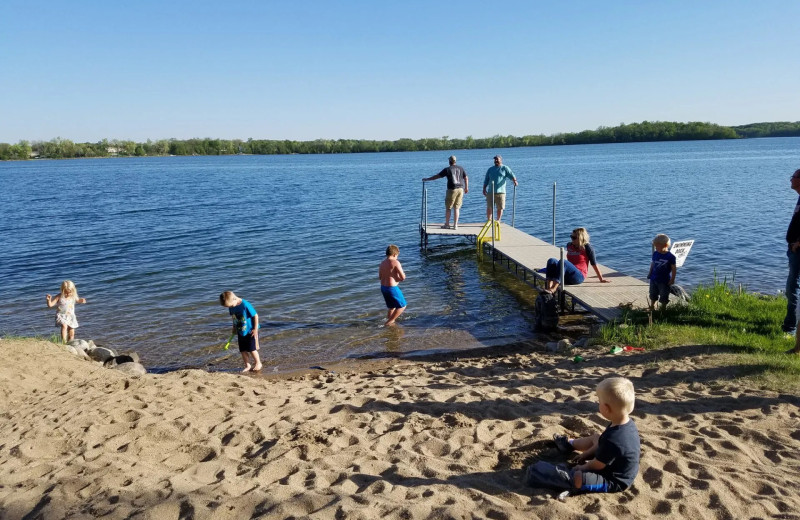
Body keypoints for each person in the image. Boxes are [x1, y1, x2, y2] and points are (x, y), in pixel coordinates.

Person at [551, 377, 640, 494]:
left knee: (578, 477)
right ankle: (569, 444)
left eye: (599, 401)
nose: (598, 403)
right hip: (610, 460)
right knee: (596, 438)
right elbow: (603, 446)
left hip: (614, 479)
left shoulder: (614, 439)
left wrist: (583, 467)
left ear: (606, 408)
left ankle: (574, 485)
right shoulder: (626, 423)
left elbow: (598, 465)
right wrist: (586, 454)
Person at [544, 227, 610, 292]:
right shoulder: (569, 245)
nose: (572, 239)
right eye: (571, 237)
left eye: (574, 238)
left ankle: (554, 288)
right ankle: (548, 288)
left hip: (578, 276)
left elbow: (594, 264)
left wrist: (601, 279)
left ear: (581, 238)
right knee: (551, 260)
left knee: (563, 262)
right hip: (567, 275)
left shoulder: (587, 248)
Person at [219, 291, 262, 372]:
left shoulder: (245, 305)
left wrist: (255, 329)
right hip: (240, 330)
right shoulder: (231, 306)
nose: (230, 307)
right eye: (228, 306)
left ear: (234, 299)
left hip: (250, 330)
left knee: (252, 349)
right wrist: (234, 327)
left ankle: (258, 363)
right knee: (242, 350)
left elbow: (255, 316)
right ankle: (247, 365)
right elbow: (233, 317)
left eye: (231, 305)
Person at [423, 155, 469, 230]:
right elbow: (466, 178)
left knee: (448, 207)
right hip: (460, 189)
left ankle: (447, 224)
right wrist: (466, 187)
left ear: (449, 161)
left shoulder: (447, 169)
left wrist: (427, 179)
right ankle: (455, 225)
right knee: (457, 208)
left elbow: (437, 176)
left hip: (452, 189)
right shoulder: (461, 168)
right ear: (455, 161)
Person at [783, 168, 800, 336]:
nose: (790, 180)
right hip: (794, 249)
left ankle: (790, 328)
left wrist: (798, 243)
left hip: (798, 250)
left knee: (793, 287)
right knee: (792, 287)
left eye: (793, 177)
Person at [482, 155, 518, 222]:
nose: (496, 161)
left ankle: (498, 220)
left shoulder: (505, 168)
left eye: (497, 159)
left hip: (501, 192)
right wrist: (484, 188)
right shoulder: (490, 169)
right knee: (489, 207)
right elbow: (486, 179)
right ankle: (489, 220)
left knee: (500, 207)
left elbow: (511, 175)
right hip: (490, 192)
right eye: (495, 160)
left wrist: (514, 181)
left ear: (501, 160)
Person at [647, 234, 677, 311]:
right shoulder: (656, 253)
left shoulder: (670, 256)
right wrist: (650, 273)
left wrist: (672, 279)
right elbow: (653, 263)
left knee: (664, 294)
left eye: (657, 246)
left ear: (665, 245)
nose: (656, 248)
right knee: (653, 293)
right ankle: (652, 306)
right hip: (654, 278)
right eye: (655, 247)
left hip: (664, 280)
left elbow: (673, 268)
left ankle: (663, 308)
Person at [379, 244, 407, 326]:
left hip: (383, 287)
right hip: (391, 288)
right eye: (397, 256)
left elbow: (380, 277)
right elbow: (402, 277)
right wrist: (398, 279)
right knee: (402, 306)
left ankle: (391, 321)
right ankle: (390, 322)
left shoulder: (382, 263)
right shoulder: (395, 262)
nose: (397, 257)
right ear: (394, 254)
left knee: (391, 307)